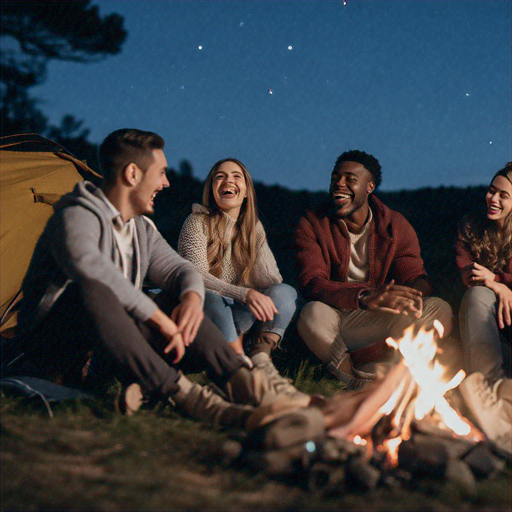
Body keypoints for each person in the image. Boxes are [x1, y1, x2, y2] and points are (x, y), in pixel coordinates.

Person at [12, 128, 310, 428]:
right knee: (96, 291)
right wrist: (159, 318)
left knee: (184, 294)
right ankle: (189, 396)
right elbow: (93, 272)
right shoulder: (76, 215)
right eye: (161, 173)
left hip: (112, 346)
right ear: (132, 174)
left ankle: (244, 383)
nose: (167, 183)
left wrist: (191, 299)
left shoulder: (141, 228)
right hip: (53, 348)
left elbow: (181, 270)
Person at [294, 150, 453, 390]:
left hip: (379, 316)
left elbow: (415, 275)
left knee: (438, 308)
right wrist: (365, 296)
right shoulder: (312, 222)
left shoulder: (394, 224)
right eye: (335, 177)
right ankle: (352, 379)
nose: (339, 184)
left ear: (369, 187)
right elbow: (313, 282)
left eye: (350, 179)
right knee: (311, 313)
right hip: (337, 319)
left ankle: (394, 371)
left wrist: (406, 296)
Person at [178, 158, 301, 398]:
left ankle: (260, 360)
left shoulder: (252, 227)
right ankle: (236, 367)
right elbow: (195, 277)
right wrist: (244, 293)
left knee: (286, 292)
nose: (228, 181)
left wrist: (253, 243)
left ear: (246, 191)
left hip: (235, 314)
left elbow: (271, 283)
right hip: (203, 312)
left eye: (236, 176)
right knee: (213, 298)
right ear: (212, 188)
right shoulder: (196, 222)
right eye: (220, 176)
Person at [456, 163, 512, 454]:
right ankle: (485, 389)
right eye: (492, 191)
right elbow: (468, 272)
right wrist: (494, 285)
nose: (494, 199)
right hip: (493, 333)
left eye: (504, 195)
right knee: (478, 296)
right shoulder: (472, 226)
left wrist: (502, 281)